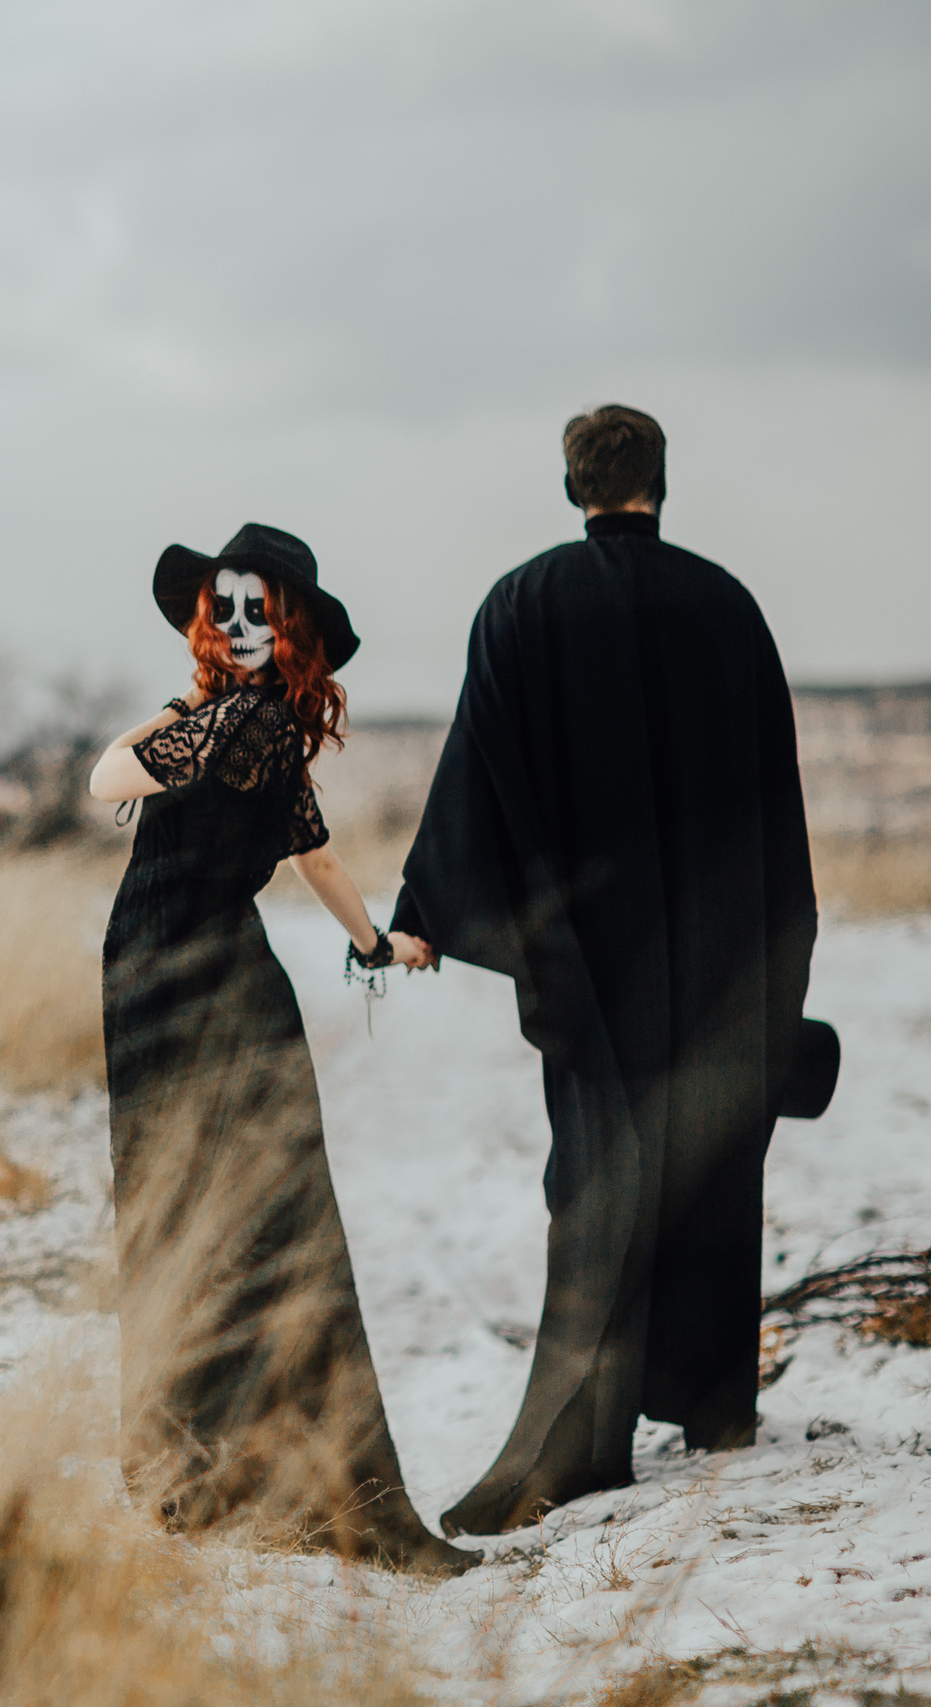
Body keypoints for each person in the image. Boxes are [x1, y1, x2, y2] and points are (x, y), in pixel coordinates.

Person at [386, 405, 818, 1537]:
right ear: (659, 483)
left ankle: (583, 1434)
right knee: (711, 1161)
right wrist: (784, 948)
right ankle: (713, 1403)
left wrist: (423, 911)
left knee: (593, 1178)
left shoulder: (520, 605)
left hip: (590, 958)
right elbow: (774, 795)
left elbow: (477, 770)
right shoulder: (728, 606)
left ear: (570, 485)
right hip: (720, 948)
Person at [88, 523, 476, 1577]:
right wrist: (372, 943)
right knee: (226, 1205)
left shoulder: (236, 721)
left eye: (258, 610)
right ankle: (220, 1467)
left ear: (290, 625)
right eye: (223, 609)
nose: (239, 624)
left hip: (186, 976)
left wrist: (376, 944)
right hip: (185, 978)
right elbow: (313, 856)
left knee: (214, 1206)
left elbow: (108, 775)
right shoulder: (258, 724)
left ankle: (211, 1471)